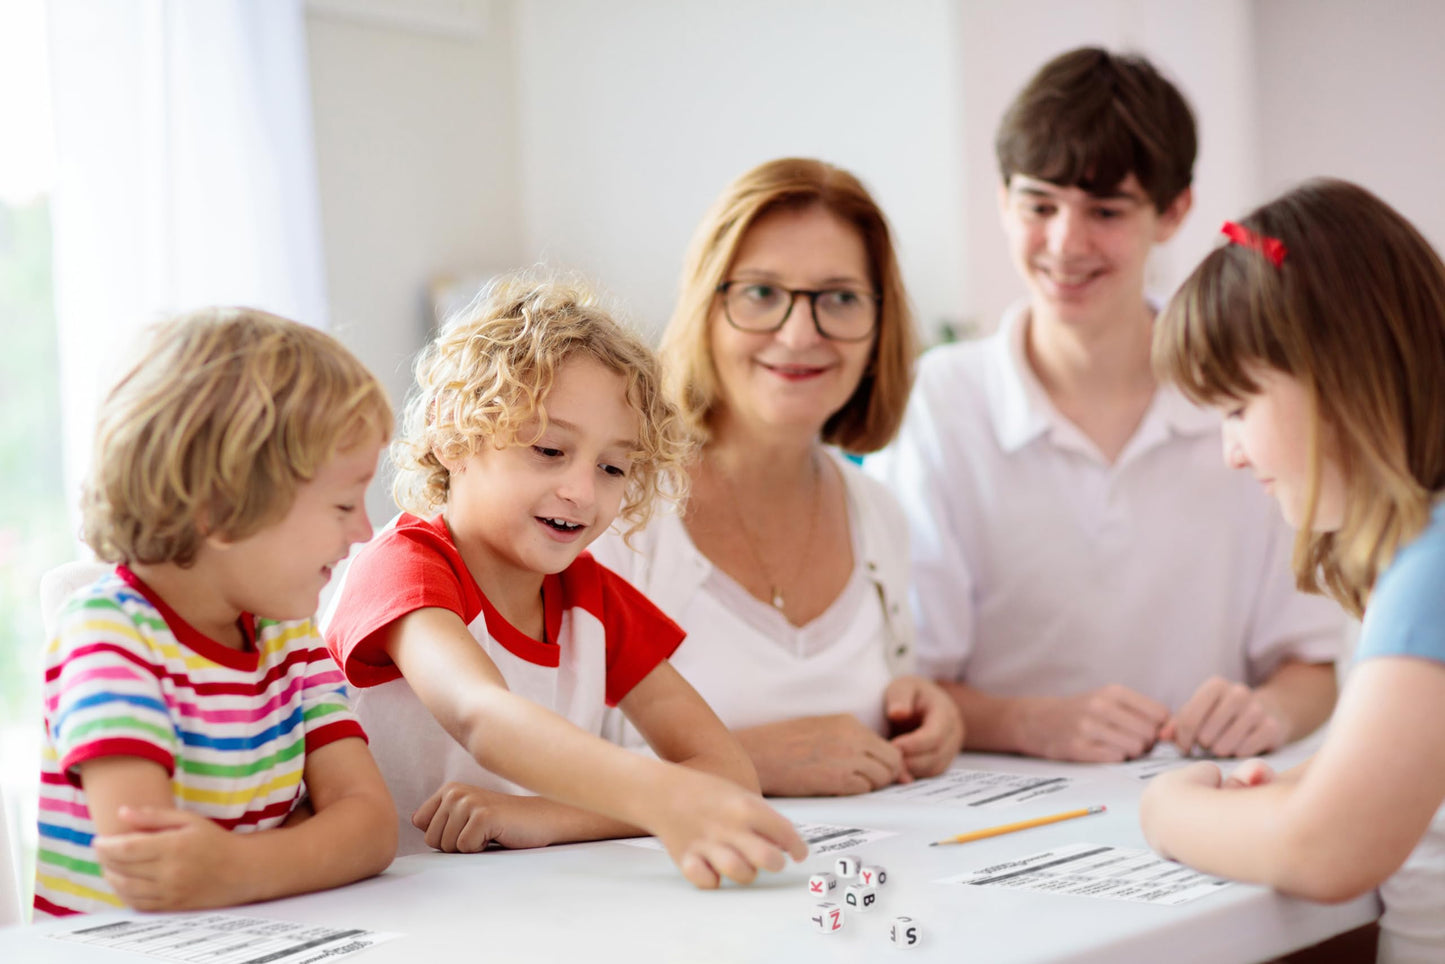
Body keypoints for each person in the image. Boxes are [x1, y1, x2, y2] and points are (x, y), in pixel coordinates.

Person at [867, 47, 1344, 764]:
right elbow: (906, 682)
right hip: (990, 810)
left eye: (1105, 209)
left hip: (1204, 802)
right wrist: (1030, 722)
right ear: (1002, 201)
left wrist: (1267, 712)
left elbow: (1309, 665)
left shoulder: (1247, 401)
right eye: (1038, 205)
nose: (1065, 242)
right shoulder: (939, 402)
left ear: (1172, 210)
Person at [323, 274, 807, 886]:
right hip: (375, 907)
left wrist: (548, 816)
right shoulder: (404, 566)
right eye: (550, 451)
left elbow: (727, 773)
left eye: (612, 467)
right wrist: (657, 797)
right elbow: (481, 714)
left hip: (521, 902)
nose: (582, 491)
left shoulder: (591, 595)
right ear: (453, 434)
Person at [1141, 178, 1445, 963]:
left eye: (1237, 407)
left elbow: (1325, 853)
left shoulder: (1433, 568)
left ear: (1337, 375)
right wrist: (1308, 782)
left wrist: (1167, 810)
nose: (1230, 451)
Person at [591, 157, 964, 796]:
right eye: (762, 293)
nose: (797, 335)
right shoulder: (614, 509)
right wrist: (741, 763)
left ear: (880, 327)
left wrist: (926, 715)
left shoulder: (878, 515)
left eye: (839, 298)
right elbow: (517, 778)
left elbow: (876, 711)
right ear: (706, 309)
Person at [35, 308, 397, 917]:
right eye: (341, 505)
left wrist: (232, 866)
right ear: (222, 510)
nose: (364, 531)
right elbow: (159, 874)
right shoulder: (106, 635)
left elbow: (372, 829)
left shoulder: (288, 635)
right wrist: (309, 838)